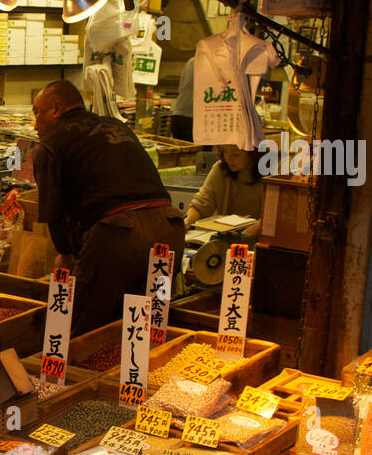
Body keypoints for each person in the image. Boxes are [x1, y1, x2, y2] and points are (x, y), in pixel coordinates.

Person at [31, 80, 186, 335]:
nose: (35, 125)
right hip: (171, 229)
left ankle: (78, 375)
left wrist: (65, 256)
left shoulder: (49, 146)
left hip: (120, 237)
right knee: (147, 325)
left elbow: (54, 213)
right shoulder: (117, 125)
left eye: (37, 113)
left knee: (85, 329)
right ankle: (136, 374)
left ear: (56, 109)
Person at [185, 144, 265, 236]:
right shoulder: (220, 169)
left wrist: (243, 237)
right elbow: (203, 202)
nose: (229, 159)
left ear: (253, 153)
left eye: (236, 154)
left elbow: (269, 219)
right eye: (225, 152)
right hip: (227, 238)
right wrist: (187, 221)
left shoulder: (271, 175)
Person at [169, 60, 194, 142]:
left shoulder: (191, 61)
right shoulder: (217, 63)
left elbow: (181, 89)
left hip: (178, 117)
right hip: (194, 121)